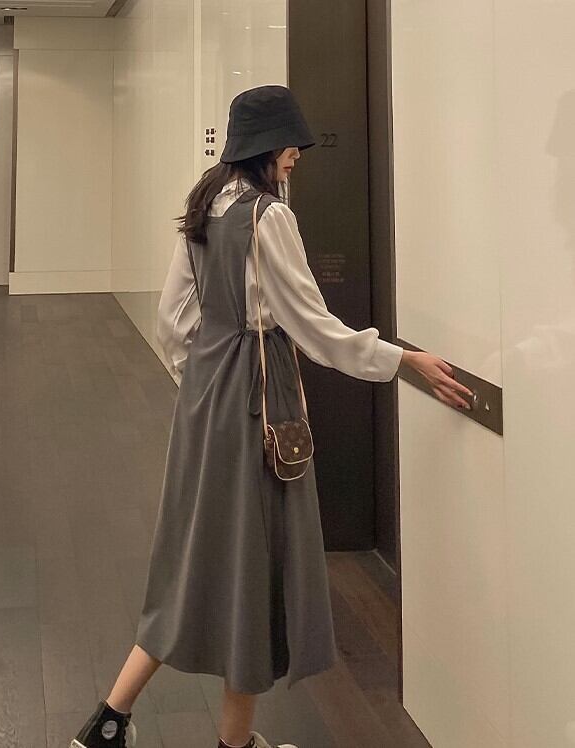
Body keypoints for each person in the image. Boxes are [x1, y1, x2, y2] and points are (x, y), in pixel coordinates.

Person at [70, 85, 473, 748]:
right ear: (266, 146)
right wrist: (404, 360)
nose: (296, 157)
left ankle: (108, 723)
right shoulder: (269, 217)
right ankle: (232, 744)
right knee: (255, 571)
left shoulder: (204, 205)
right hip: (261, 401)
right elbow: (314, 328)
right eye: (291, 146)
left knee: (193, 560)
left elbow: (172, 323)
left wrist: (205, 386)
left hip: (206, 403)